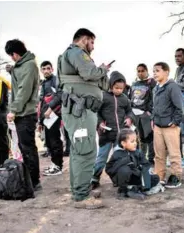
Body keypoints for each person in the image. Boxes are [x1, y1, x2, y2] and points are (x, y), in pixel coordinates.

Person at [57, 28, 110, 209]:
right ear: (85, 39)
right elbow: (89, 73)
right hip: (80, 111)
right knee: (85, 150)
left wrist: (101, 72)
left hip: (81, 111)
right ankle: (81, 196)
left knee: (79, 150)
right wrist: (102, 69)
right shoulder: (77, 52)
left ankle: (80, 189)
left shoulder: (71, 54)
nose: (93, 47)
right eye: (92, 42)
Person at [5, 39, 41, 190]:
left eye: (11, 56)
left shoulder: (29, 65)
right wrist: (12, 70)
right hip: (22, 113)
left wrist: (13, 110)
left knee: (28, 148)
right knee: (24, 146)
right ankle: (31, 179)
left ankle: (34, 181)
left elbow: (24, 90)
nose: (11, 59)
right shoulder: (22, 65)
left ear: (15, 54)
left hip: (25, 113)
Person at [91, 71, 133, 189]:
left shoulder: (125, 98)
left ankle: (117, 179)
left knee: (119, 158)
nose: (119, 90)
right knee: (101, 158)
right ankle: (95, 178)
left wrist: (129, 119)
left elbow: (130, 111)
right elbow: (96, 112)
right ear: (110, 85)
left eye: (121, 88)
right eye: (116, 88)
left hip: (120, 136)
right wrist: (100, 123)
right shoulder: (103, 96)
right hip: (106, 134)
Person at [152, 62, 183, 188]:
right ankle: (159, 177)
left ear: (166, 72)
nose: (154, 73)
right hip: (158, 126)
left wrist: (175, 121)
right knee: (159, 154)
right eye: (153, 71)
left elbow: (180, 106)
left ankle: (176, 176)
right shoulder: (156, 88)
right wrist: (153, 119)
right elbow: (154, 106)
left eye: (157, 70)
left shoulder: (172, 87)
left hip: (170, 127)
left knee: (174, 153)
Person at [105, 129, 160, 200]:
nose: (135, 143)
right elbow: (109, 169)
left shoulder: (138, 152)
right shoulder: (117, 154)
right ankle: (123, 190)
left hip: (137, 176)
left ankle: (135, 189)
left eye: (136, 141)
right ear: (123, 143)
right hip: (123, 178)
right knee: (125, 170)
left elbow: (146, 165)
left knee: (155, 178)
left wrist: (142, 171)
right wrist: (123, 162)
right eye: (132, 141)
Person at [38, 61, 65, 176]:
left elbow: (59, 95)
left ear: (52, 69)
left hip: (54, 115)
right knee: (49, 142)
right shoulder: (44, 83)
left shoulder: (55, 80)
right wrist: (40, 121)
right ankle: (54, 164)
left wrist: (50, 109)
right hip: (46, 118)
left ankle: (58, 166)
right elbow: (42, 102)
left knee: (55, 141)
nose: (46, 71)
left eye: (48, 68)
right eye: (43, 69)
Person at [129, 63, 157, 166]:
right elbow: (130, 97)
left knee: (149, 137)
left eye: (142, 71)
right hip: (135, 114)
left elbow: (154, 98)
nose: (140, 73)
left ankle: (151, 159)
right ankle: (141, 158)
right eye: (138, 71)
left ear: (146, 71)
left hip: (146, 114)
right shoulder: (134, 84)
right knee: (138, 137)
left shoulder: (151, 82)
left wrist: (149, 111)